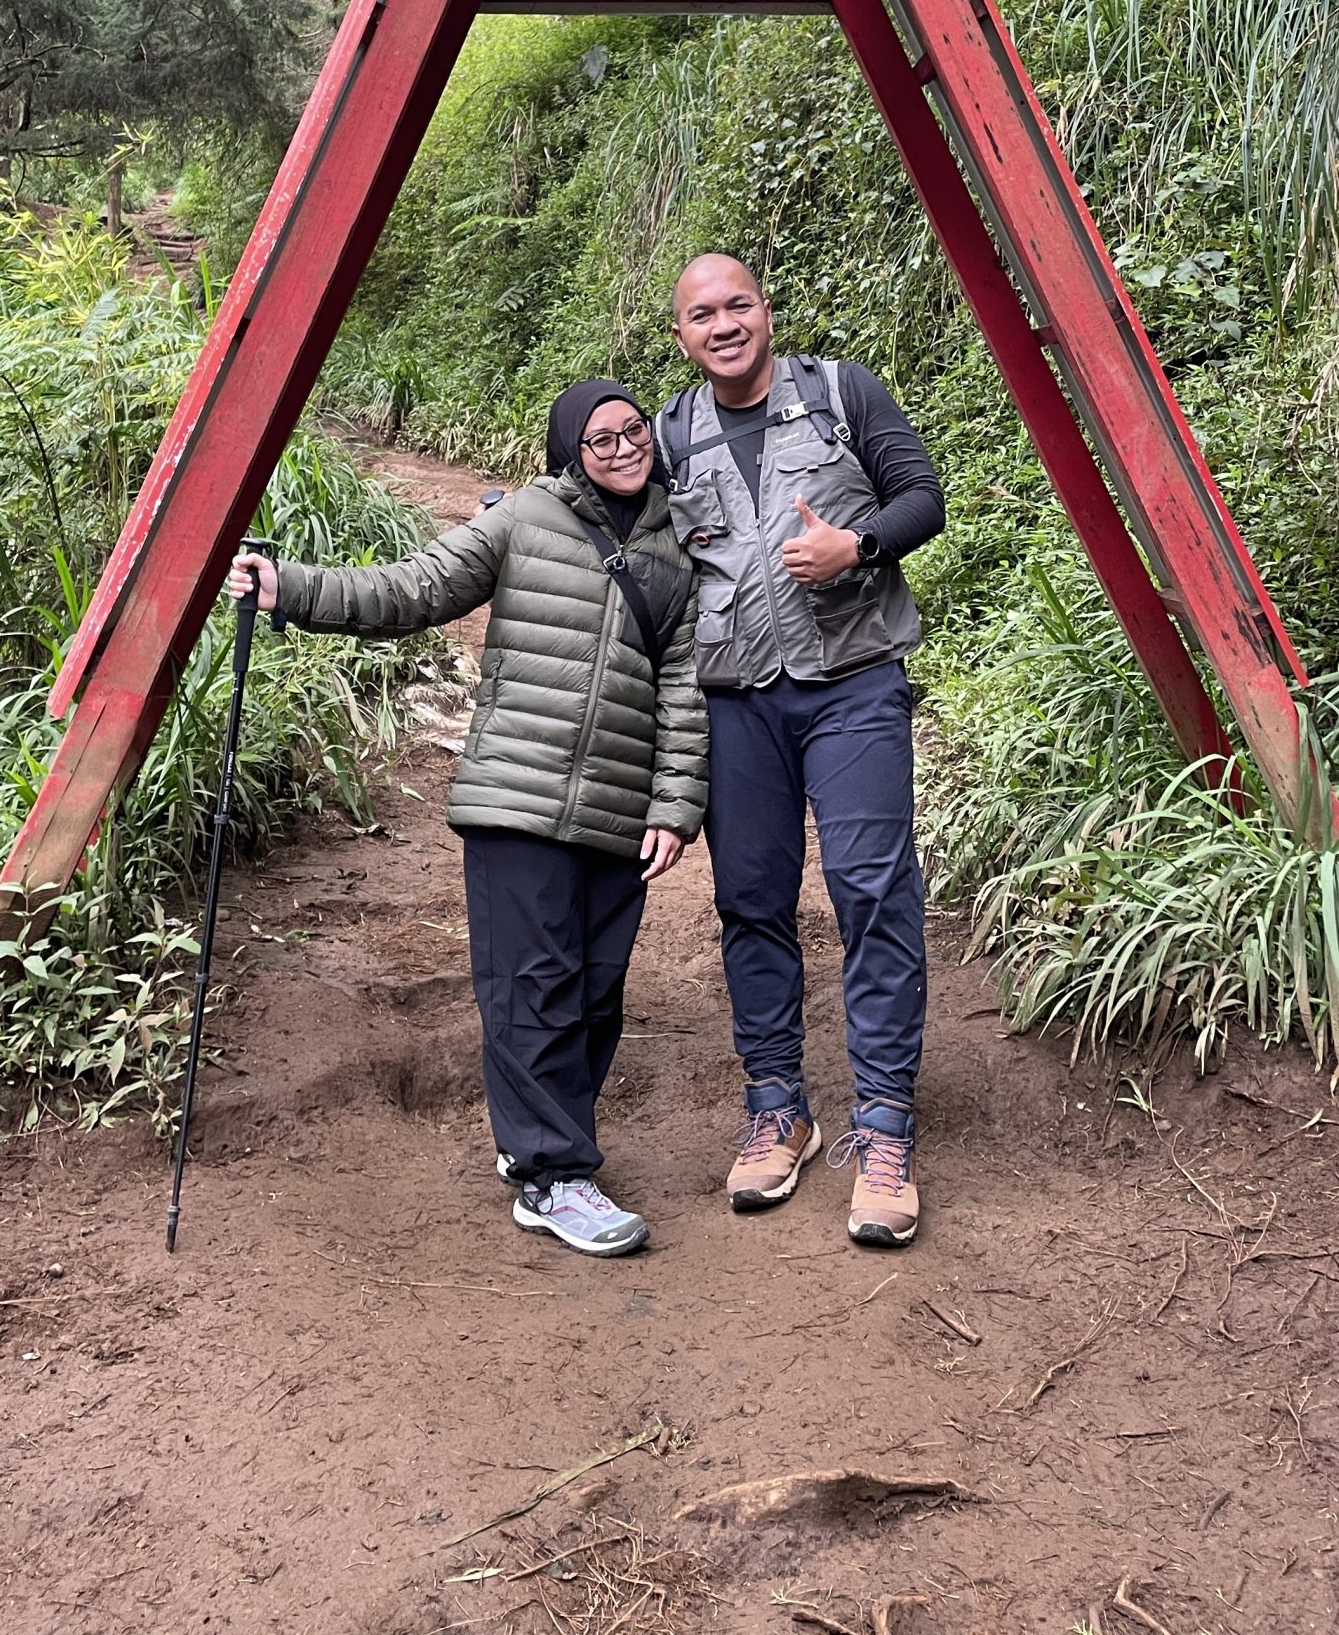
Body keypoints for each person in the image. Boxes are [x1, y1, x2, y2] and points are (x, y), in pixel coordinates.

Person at [229, 378, 706, 1259]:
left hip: (616, 807)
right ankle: (553, 1176)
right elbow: (415, 589)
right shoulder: (524, 518)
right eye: (598, 439)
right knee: (531, 987)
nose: (622, 448)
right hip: (515, 800)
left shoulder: (675, 548)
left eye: (632, 430)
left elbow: (681, 689)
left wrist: (676, 805)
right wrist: (289, 587)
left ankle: (540, 1141)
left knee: (595, 994)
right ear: (570, 452)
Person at [657, 256, 944, 1249]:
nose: (725, 323)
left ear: (766, 311)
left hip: (853, 683)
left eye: (738, 304)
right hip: (739, 703)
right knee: (750, 900)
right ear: (683, 334)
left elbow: (921, 497)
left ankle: (884, 1127)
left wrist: (857, 548)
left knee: (871, 889)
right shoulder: (668, 435)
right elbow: (627, 542)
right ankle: (779, 1108)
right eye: (704, 314)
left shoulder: (838, 393)